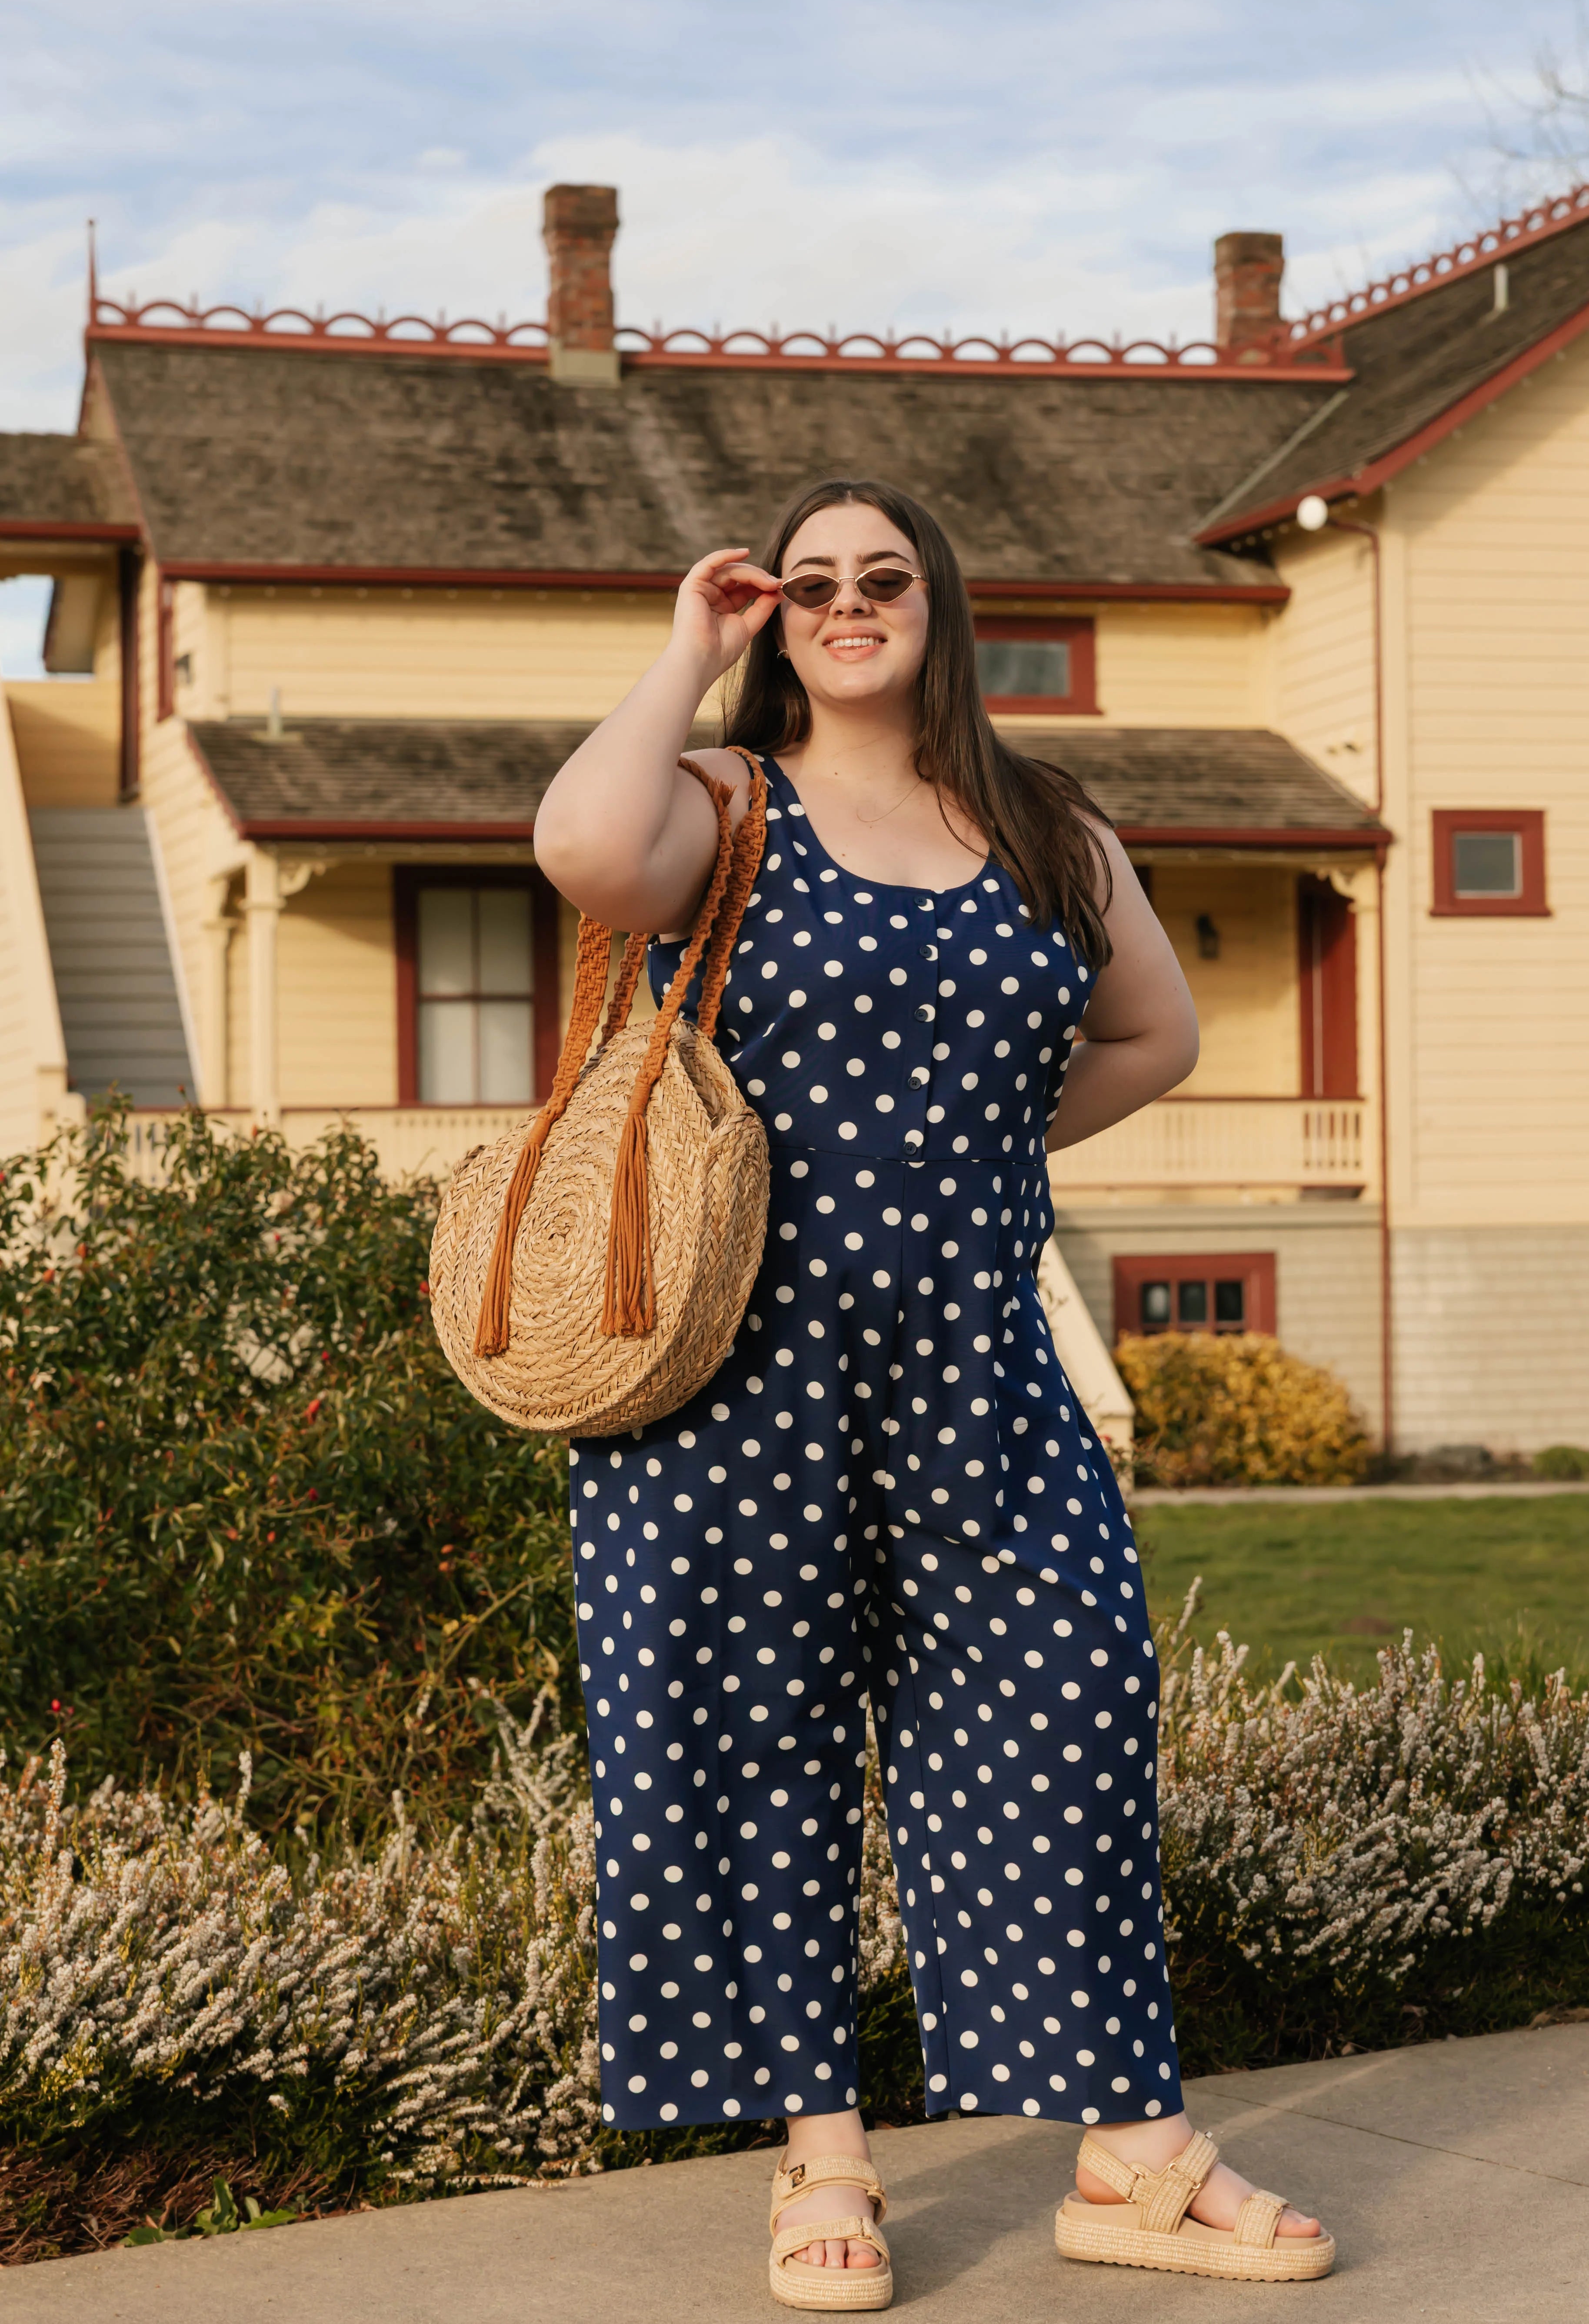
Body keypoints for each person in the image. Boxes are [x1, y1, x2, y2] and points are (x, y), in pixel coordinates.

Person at [533, 477, 1331, 2306]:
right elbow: (584, 853)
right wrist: (688, 645)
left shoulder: (1039, 820)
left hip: (976, 1361)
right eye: (805, 583)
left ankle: (1125, 2150)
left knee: (1062, 1709)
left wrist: (962, 1144)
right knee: (751, 1747)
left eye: (878, 577)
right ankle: (821, 2162)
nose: (842, 603)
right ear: (772, 613)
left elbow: (1154, 1031)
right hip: (729, 1371)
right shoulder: (722, 801)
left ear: (936, 605)